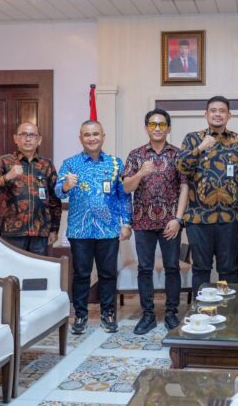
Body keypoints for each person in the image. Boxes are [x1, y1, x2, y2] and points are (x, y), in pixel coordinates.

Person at [55, 120, 132, 335]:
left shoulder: (115, 164)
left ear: (103, 137)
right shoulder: (70, 164)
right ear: (80, 138)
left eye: (96, 134)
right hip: (80, 231)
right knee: (81, 274)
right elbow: (58, 191)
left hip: (108, 230)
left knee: (108, 274)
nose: (92, 138)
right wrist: (66, 185)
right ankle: (80, 315)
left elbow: (124, 196)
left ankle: (108, 314)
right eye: (87, 135)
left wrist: (126, 223)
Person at [177, 95, 238, 293]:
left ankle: (228, 310)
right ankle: (201, 311)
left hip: (229, 219)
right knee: (201, 269)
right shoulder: (193, 139)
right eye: (213, 110)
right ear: (206, 114)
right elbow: (181, 167)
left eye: (222, 111)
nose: (217, 114)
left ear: (229, 115)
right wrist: (200, 148)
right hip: (198, 218)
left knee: (228, 270)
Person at [123, 108, 189, 334]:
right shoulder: (136, 155)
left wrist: (178, 219)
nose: (157, 128)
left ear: (168, 128)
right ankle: (148, 316)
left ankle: (171, 313)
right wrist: (140, 173)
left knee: (172, 268)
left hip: (170, 223)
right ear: (146, 128)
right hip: (143, 221)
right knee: (144, 269)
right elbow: (126, 187)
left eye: (162, 124)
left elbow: (185, 187)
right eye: (153, 124)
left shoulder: (178, 155)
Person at [0, 122, 61, 255]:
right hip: (13, 232)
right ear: (15, 138)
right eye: (23, 134)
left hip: (40, 233)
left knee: (38, 268)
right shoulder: (4, 161)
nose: (28, 139)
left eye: (32, 135)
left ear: (39, 140)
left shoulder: (46, 164)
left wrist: (54, 229)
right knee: (12, 267)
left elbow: (54, 199)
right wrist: (7, 177)